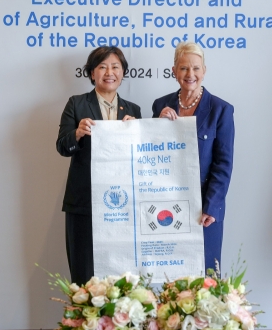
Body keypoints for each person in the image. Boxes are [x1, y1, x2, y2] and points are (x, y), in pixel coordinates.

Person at [56, 46, 141, 284]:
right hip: (84, 204)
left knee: (121, 274)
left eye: (115, 67)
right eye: (102, 67)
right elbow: (62, 146)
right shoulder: (76, 104)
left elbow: (141, 159)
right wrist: (77, 134)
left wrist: (138, 134)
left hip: (122, 205)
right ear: (92, 73)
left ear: (123, 72)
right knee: (84, 273)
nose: (109, 72)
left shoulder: (133, 110)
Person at [152, 42, 234, 272]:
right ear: (174, 71)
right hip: (167, 204)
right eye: (184, 68)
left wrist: (212, 206)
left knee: (206, 274)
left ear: (204, 71)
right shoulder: (160, 105)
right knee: (171, 273)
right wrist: (156, 125)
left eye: (196, 68)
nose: (190, 74)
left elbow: (223, 164)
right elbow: (153, 154)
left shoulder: (221, 109)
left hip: (203, 208)